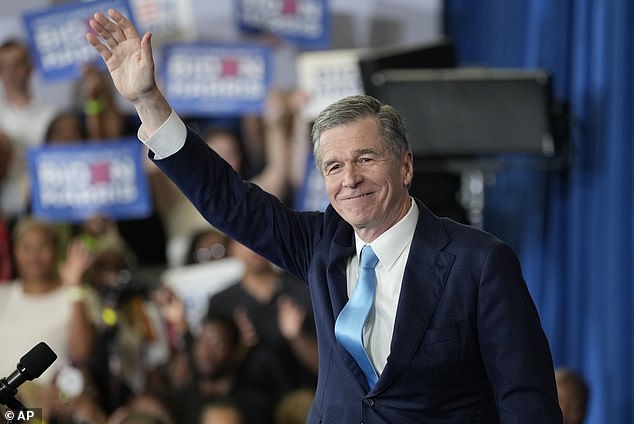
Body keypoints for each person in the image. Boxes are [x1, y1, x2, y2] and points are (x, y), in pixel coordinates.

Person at [87, 9, 563, 422]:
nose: (349, 178)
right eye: (333, 166)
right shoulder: (320, 245)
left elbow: (525, 398)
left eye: (366, 158)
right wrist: (148, 101)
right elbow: (227, 199)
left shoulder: (478, 262)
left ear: (406, 164)